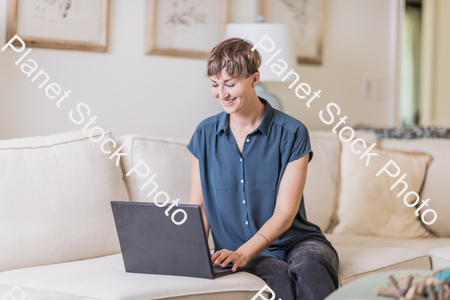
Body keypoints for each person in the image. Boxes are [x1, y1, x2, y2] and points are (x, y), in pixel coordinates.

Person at [187, 37, 339, 300]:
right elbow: (198, 208)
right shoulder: (204, 134)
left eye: (230, 84)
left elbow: (285, 213)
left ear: (254, 79)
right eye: (215, 84)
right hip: (237, 251)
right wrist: (190, 258)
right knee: (278, 279)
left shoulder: (292, 132)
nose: (221, 94)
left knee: (310, 268)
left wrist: (245, 252)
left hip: (298, 242)